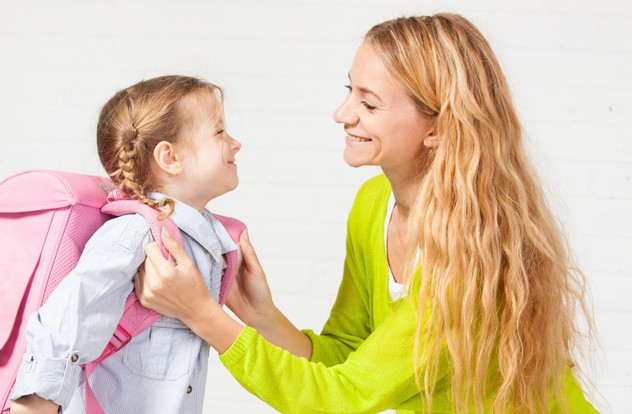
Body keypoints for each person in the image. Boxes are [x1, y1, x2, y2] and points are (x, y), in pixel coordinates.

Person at [135, 13, 600, 414]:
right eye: (349, 91)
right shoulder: (373, 205)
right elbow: (347, 357)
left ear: (437, 128)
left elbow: (343, 398)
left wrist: (202, 315)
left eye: (369, 103)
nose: (342, 113)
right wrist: (263, 317)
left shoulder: (468, 255)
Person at [10, 75, 242, 413]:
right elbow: (67, 319)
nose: (236, 143)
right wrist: (34, 405)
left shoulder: (207, 242)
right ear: (169, 157)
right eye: (220, 132)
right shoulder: (136, 233)